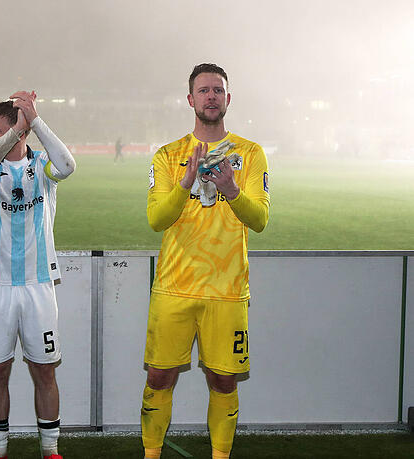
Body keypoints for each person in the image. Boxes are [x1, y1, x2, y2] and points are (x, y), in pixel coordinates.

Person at [142, 63, 270, 459]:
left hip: (227, 289)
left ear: (227, 99)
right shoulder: (167, 155)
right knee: (159, 377)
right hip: (174, 287)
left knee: (223, 379)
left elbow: (260, 220)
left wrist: (231, 188)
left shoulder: (249, 154)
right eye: (204, 90)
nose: (211, 96)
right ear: (191, 99)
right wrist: (186, 182)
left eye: (218, 90)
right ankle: (150, 454)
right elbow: (157, 219)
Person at [0, 91, 76, 459]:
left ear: (20, 130)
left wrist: (35, 122)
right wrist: (13, 132)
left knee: (44, 371)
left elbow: (68, 166)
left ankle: (51, 451)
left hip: (38, 286)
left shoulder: (43, 166)